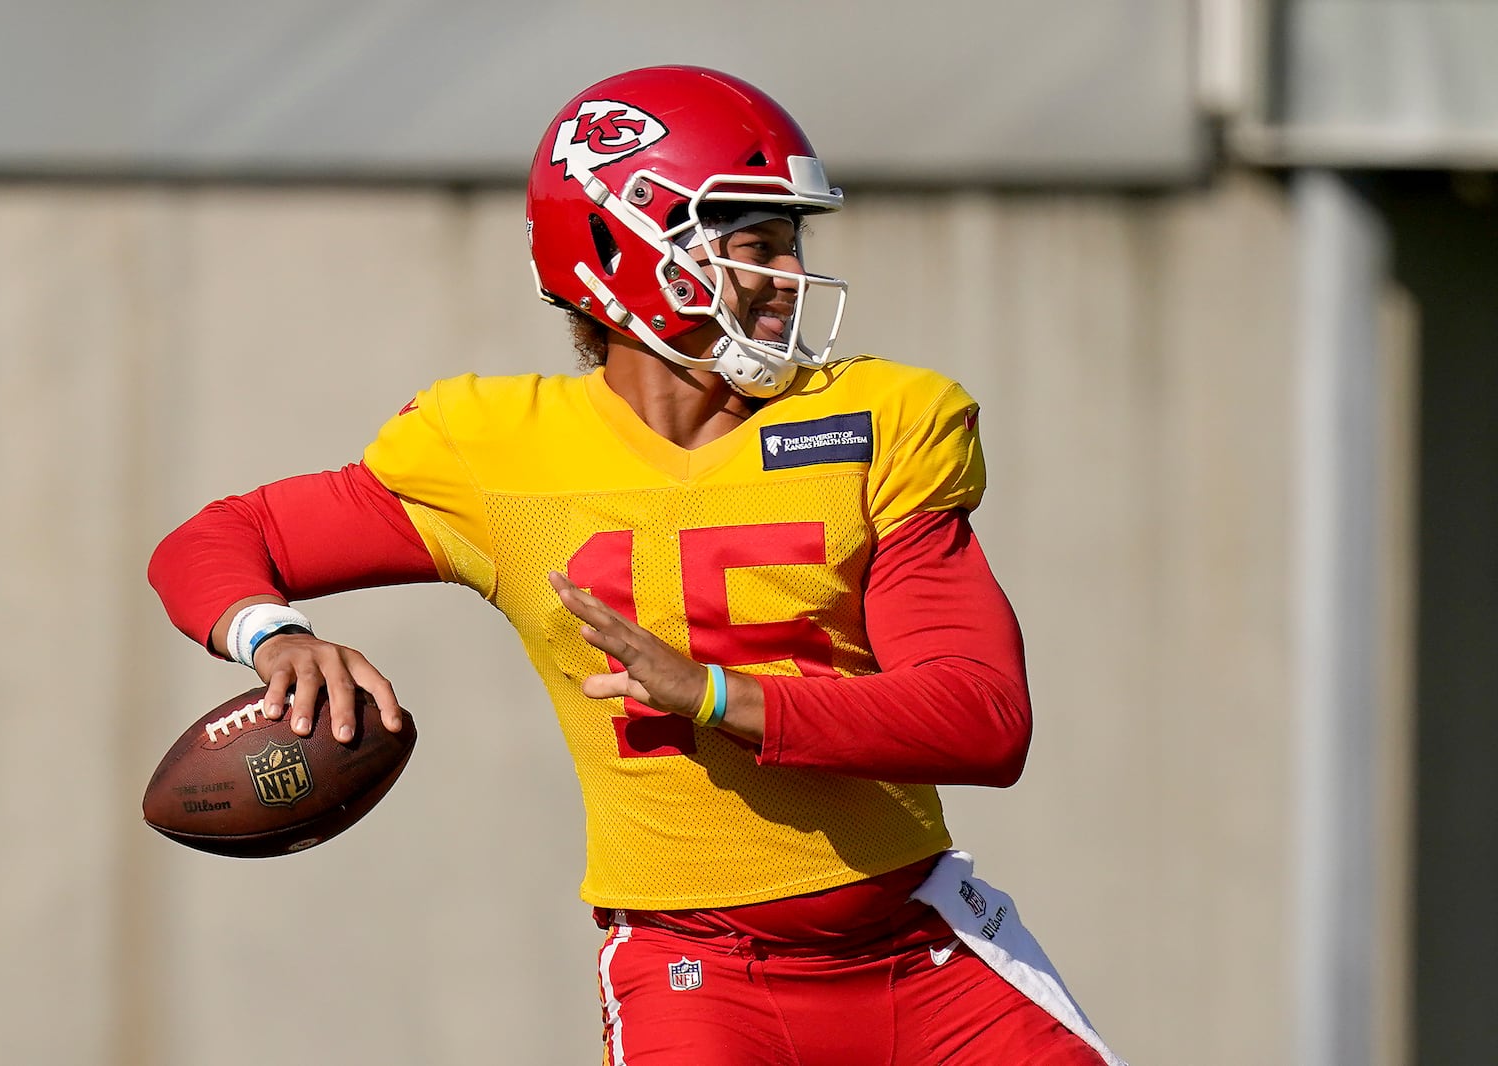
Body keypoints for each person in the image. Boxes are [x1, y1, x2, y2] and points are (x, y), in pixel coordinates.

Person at [149, 65, 1123, 1066]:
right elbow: (217, 540)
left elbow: (983, 717)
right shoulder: (495, 446)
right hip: (695, 974)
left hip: (923, 953)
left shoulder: (881, 421)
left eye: (792, 243)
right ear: (627, 249)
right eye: (756, 245)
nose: (787, 277)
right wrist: (277, 637)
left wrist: (710, 695)